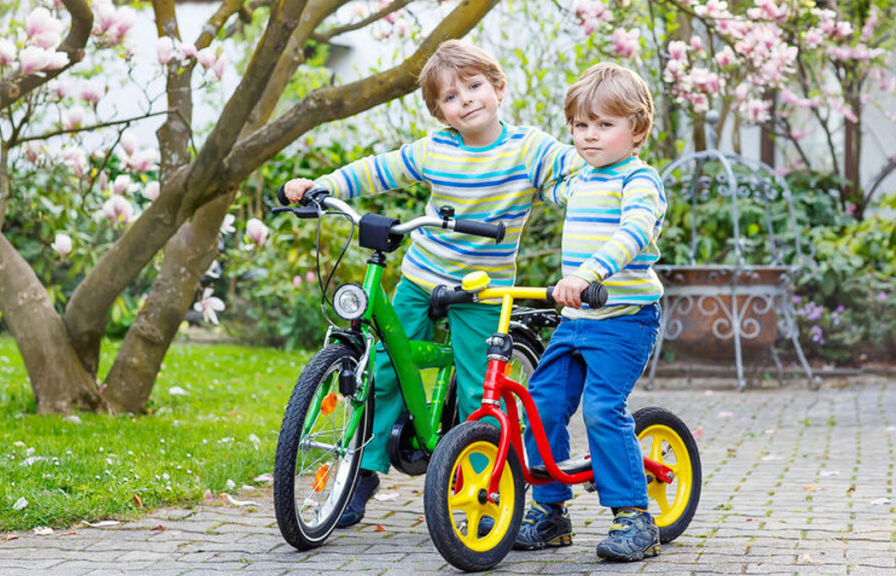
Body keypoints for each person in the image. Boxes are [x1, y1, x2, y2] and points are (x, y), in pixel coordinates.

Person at [281, 39, 582, 528]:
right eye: (450, 97)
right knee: (383, 370)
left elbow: (571, 175)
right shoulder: (436, 148)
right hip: (422, 276)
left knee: (474, 387)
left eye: (475, 86)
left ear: (499, 87)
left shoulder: (527, 148)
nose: (465, 100)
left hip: (481, 289)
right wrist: (326, 186)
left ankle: (484, 488)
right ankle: (363, 471)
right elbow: (380, 170)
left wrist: (589, 189)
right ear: (440, 113)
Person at [514, 62, 666, 562]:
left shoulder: (640, 181)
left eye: (605, 125)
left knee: (603, 408)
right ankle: (550, 511)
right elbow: (534, 185)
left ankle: (635, 517)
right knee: (542, 406)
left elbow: (635, 232)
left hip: (624, 318)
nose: (590, 135)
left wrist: (588, 274)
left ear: (637, 130)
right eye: (581, 125)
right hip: (577, 320)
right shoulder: (580, 180)